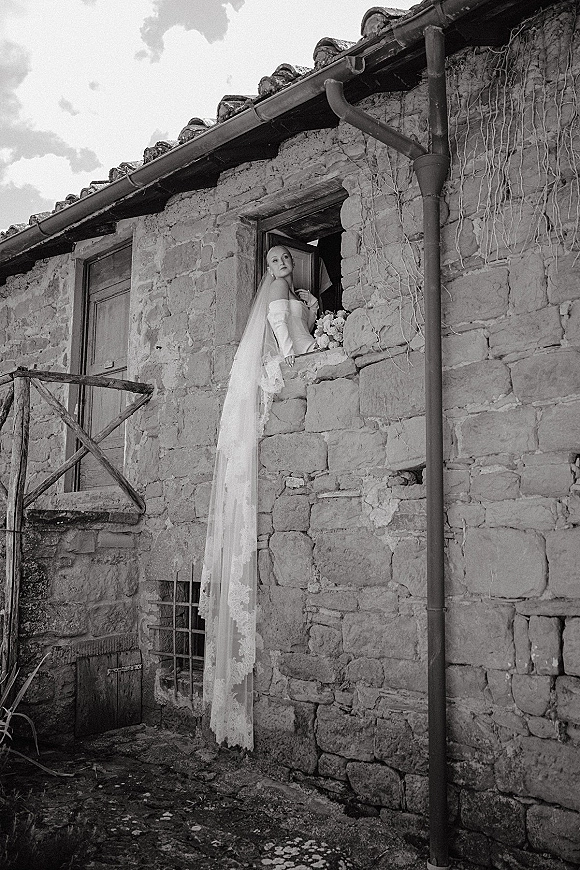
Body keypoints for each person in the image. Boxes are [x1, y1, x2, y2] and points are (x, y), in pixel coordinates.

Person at [199, 245, 318, 750]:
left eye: (285, 259)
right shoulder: (276, 293)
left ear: (294, 262)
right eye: (272, 262)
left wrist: (309, 311)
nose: (280, 267)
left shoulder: (292, 290)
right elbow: (283, 337)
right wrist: (311, 334)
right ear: (266, 271)